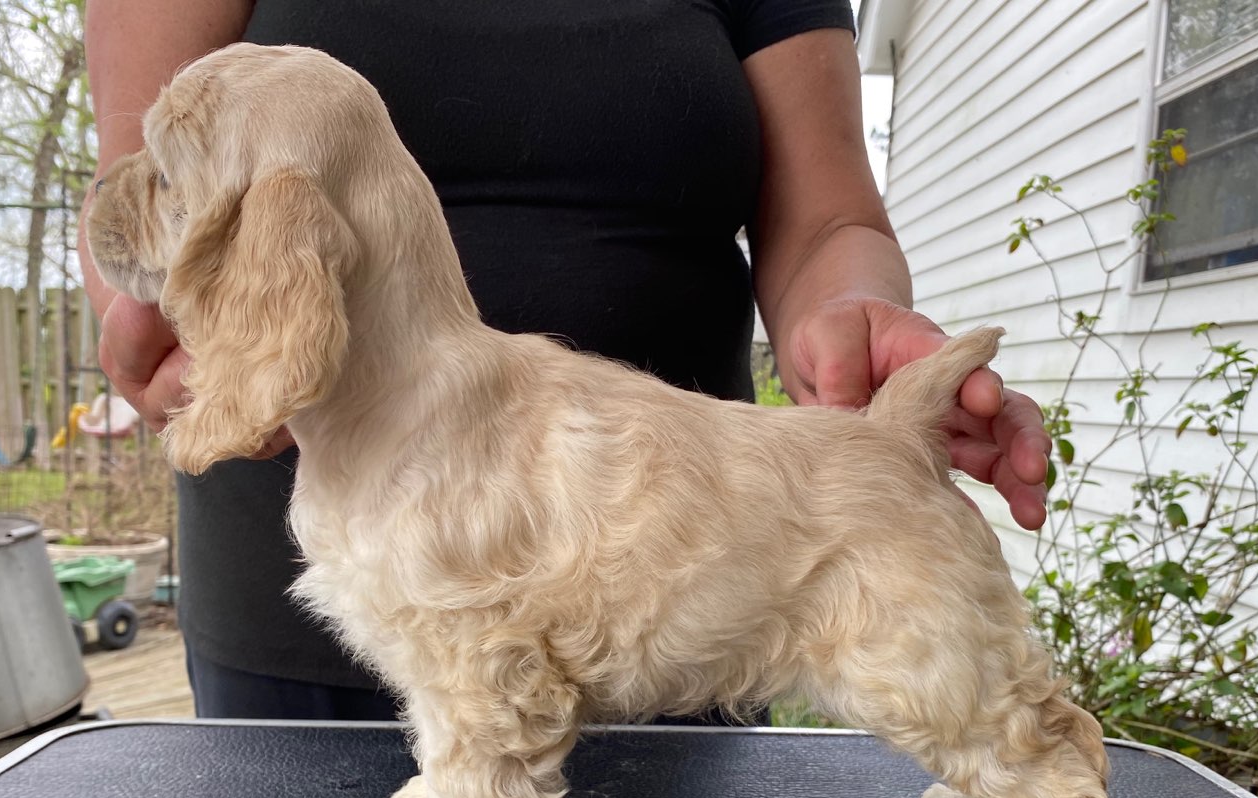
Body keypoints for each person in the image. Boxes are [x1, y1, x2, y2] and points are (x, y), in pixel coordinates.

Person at [80, 1, 1052, 721]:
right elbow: (142, 193)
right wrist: (180, 332)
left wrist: (848, 312)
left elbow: (829, 215)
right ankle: (459, 770)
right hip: (277, 578)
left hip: (700, 556)